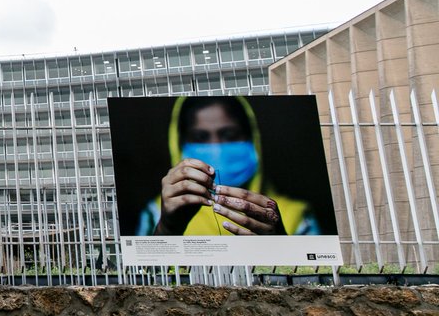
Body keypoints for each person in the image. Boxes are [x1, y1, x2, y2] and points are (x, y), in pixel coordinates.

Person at [136, 97, 318, 236]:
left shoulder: (294, 214)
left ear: (253, 140)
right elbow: (144, 276)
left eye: (229, 135)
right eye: (201, 137)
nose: (216, 148)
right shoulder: (157, 213)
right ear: (178, 145)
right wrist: (168, 228)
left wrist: (281, 245)